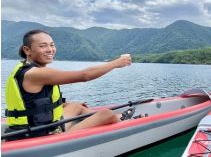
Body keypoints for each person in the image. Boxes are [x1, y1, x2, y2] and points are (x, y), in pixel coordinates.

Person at [5, 29, 136, 139]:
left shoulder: (24, 68)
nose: (50, 49)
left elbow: (32, 101)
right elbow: (85, 76)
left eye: (52, 45)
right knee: (105, 113)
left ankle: (110, 119)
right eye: (42, 46)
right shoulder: (35, 74)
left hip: (38, 126)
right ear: (27, 50)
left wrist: (62, 104)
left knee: (75, 106)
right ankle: (120, 119)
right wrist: (116, 63)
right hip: (41, 134)